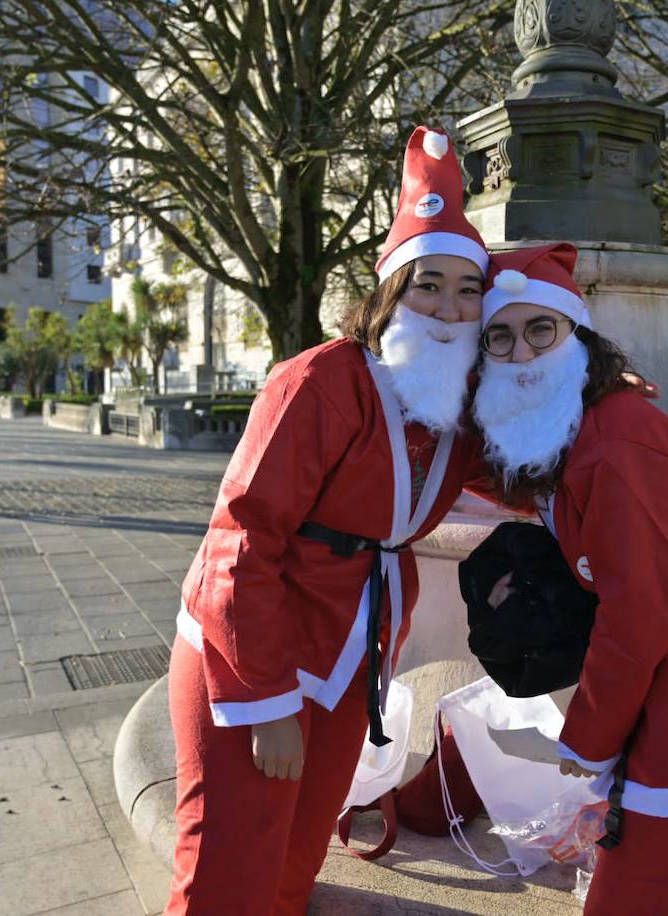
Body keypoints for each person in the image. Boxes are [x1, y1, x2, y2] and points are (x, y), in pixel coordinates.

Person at [167, 126, 491, 916]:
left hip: (348, 662)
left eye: (468, 290)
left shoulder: (450, 411)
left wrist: (592, 389)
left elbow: (531, 476)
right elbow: (240, 542)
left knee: (292, 865)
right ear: (390, 293)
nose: (449, 309)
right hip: (254, 662)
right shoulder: (320, 382)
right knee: (227, 875)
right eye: (428, 284)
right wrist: (267, 702)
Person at [471, 243, 668, 915]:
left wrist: (589, 739)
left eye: (539, 329)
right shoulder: (575, 424)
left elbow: (641, 613)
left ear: (576, 335)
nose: (521, 353)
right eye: (500, 337)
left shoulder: (617, 443)